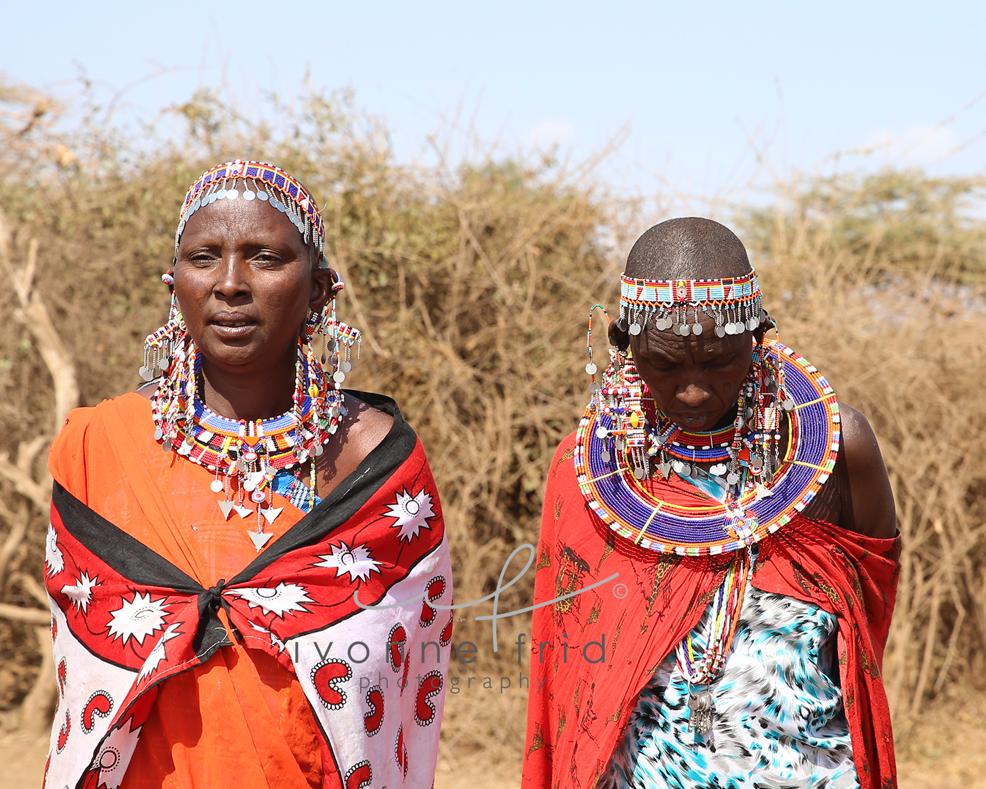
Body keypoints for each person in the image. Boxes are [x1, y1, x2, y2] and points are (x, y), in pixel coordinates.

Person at [42, 160, 453, 789]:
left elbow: (400, 691)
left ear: (319, 290)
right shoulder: (99, 448)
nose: (231, 283)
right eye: (204, 257)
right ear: (173, 285)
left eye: (264, 257)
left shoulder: (378, 465)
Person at [522, 218, 899, 789]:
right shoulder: (588, 475)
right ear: (623, 346)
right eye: (665, 364)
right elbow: (573, 673)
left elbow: (868, 628)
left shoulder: (839, 455)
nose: (693, 389)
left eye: (719, 360)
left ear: (759, 336)